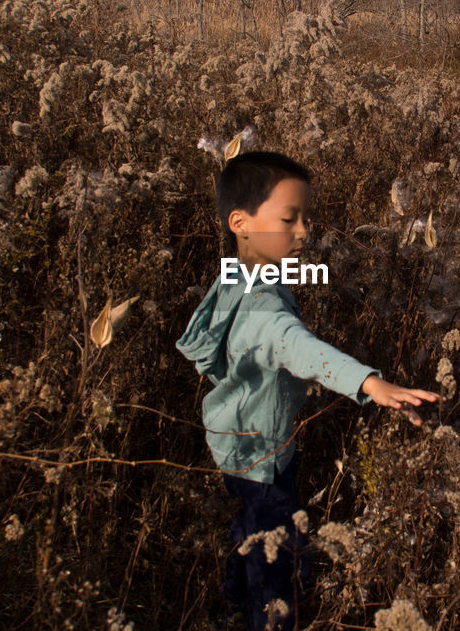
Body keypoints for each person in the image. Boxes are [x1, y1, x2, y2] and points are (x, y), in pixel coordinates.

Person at [176, 150, 443, 631]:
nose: (303, 232)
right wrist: (369, 381)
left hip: (230, 439)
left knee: (249, 525)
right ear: (241, 222)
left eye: (305, 218)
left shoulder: (235, 275)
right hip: (263, 454)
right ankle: (270, 617)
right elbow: (297, 345)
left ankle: (233, 599)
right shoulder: (266, 309)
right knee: (280, 554)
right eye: (288, 218)